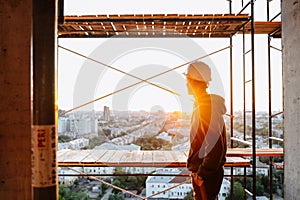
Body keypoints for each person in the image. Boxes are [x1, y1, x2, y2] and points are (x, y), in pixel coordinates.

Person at [185, 61, 227, 200]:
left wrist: (202, 174)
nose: (186, 84)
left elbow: (215, 148)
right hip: (207, 173)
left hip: (206, 175)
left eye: (187, 80)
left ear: (192, 82)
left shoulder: (205, 108)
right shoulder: (205, 106)